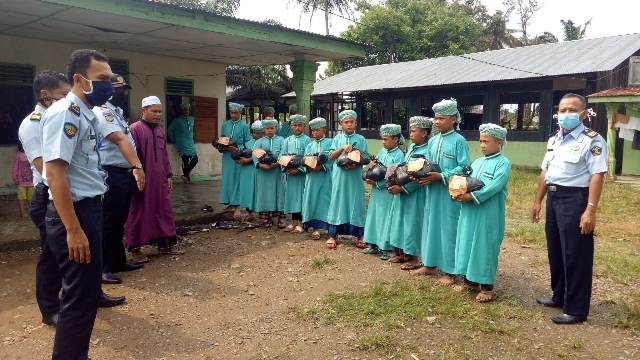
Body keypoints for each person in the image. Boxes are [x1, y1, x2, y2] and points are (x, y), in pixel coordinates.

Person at [41, 48, 116, 360]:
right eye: (101, 79)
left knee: (83, 295)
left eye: (111, 80)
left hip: (88, 209)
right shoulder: (65, 113)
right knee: (79, 297)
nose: (108, 86)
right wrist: (73, 229)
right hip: (75, 214)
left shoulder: (86, 113)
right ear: (78, 79)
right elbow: (56, 175)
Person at [532, 93, 607, 325]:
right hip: (554, 198)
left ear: (583, 114)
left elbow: (597, 175)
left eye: (571, 110)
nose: (566, 114)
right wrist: (538, 200)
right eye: (562, 110)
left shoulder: (592, 140)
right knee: (556, 250)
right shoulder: (554, 139)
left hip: (575, 199)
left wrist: (590, 209)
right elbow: (546, 172)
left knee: (576, 254)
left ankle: (576, 309)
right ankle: (559, 296)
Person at [18, 70, 69, 327]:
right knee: (52, 254)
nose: (67, 99)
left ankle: (83, 297)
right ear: (45, 94)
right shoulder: (34, 123)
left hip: (67, 192)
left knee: (76, 252)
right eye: (63, 94)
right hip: (48, 195)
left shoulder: (58, 118)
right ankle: (50, 309)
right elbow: (45, 169)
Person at [93, 74, 145, 284]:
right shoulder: (102, 112)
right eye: (119, 89)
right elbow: (118, 138)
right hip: (110, 172)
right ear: (109, 91)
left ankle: (118, 261)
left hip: (122, 173)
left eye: (124, 89)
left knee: (118, 222)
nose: (123, 93)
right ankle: (103, 268)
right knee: (108, 222)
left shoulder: (117, 112)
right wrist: (137, 165)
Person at [411, 98, 470, 285]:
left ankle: (451, 271)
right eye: (435, 118)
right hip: (431, 190)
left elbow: (464, 167)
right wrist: (419, 173)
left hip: (448, 193)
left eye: (441, 118)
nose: (437, 122)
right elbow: (426, 163)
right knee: (430, 226)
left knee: (448, 229)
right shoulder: (433, 140)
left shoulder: (459, 141)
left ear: (453, 119)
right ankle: (429, 264)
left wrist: (441, 176)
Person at [453, 123, 512, 303]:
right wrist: (457, 190)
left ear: (499, 142)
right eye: (481, 141)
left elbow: (495, 186)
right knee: (467, 241)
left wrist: (473, 196)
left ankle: (486, 286)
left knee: (484, 245)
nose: (483, 145)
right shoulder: (477, 162)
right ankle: (469, 281)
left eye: (487, 141)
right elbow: (466, 179)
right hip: (470, 211)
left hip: (488, 213)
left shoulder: (503, 163)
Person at [125, 96, 183, 264]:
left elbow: (164, 155)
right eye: (154, 111)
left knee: (162, 209)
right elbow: (130, 155)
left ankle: (164, 245)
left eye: (159, 111)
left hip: (160, 179)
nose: (158, 115)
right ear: (144, 110)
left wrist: (169, 175)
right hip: (142, 178)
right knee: (139, 210)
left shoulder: (159, 130)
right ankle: (135, 249)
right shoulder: (134, 129)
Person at [388, 116, 433, 269]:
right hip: (402, 192)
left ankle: (413, 257)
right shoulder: (412, 148)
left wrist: (403, 188)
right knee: (400, 221)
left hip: (416, 193)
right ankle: (401, 253)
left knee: (412, 223)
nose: (410, 134)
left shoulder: (428, 151)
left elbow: (422, 175)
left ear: (424, 133)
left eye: (414, 131)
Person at [326, 110, 369, 250]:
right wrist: (342, 148)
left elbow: (366, 157)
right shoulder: (337, 138)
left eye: (352, 122)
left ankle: (359, 235)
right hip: (340, 177)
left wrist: (355, 160)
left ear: (356, 123)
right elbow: (331, 156)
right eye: (346, 122)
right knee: (338, 202)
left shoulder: (361, 139)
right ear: (341, 124)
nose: (349, 125)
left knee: (356, 202)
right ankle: (333, 234)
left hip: (355, 176)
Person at [363, 124, 405, 259]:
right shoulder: (382, 151)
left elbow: (396, 176)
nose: (383, 142)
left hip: (387, 193)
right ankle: (373, 244)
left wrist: (378, 183)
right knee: (374, 216)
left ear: (396, 139)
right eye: (382, 139)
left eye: (386, 139)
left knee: (386, 218)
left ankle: (386, 247)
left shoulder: (399, 155)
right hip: (376, 193)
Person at [302, 117, 333, 240]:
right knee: (312, 201)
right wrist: (310, 166)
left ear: (324, 129)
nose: (314, 133)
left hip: (326, 177)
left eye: (317, 130)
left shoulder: (330, 143)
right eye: (313, 131)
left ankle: (326, 228)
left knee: (325, 201)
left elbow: (332, 159)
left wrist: (322, 166)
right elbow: (305, 160)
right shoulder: (309, 145)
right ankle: (314, 228)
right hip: (312, 178)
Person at [252, 119, 285, 227]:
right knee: (264, 194)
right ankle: (265, 219)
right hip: (263, 173)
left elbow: (283, 153)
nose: (270, 130)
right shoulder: (259, 142)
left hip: (277, 172)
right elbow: (255, 154)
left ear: (276, 128)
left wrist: (276, 164)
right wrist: (260, 165)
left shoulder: (281, 140)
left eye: (272, 128)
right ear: (264, 129)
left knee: (279, 193)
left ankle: (280, 219)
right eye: (267, 128)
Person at [281, 114, 311, 233]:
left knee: (301, 197)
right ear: (291, 126)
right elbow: (282, 156)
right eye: (295, 125)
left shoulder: (307, 140)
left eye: (300, 125)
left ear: (304, 127)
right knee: (292, 197)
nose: (297, 128)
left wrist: (299, 169)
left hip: (302, 175)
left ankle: (301, 222)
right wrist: (287, 169)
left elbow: (309, 157)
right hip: (290, 175)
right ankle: (294, 221)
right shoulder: (287, 140)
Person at [219, 102, 251, 209]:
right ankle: (227, 201)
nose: (233, 115)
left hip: (238, 157)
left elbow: (248, 143)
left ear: (240, 113)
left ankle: (236, 202)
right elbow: (222, 139)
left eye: (235, 113)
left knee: (237, 178)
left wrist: (237, 149)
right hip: (227, 157)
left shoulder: (245, 126)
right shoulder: (225, 124)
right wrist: (221, 146)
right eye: (231, 113)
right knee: (228, 178)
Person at [237, 120, 264, 219]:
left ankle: (258, 211)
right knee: (247, 189)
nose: (255, 135)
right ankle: (249, 210)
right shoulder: (248, 143)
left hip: (257, 170)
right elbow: (241, 154)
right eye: (254, 132)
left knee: (256, 190)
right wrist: (238, 159)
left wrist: (248, 160)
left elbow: (262, 156)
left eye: (258, 133)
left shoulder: (263, 143)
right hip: (246, 171)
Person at [168, 103, 198, 184]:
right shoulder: (177, 121)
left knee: (195, 159)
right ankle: (187, 179)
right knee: (185, 161)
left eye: (187, 110)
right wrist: (173, 140)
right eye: (184, 110)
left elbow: (193, 130)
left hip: (190, 143)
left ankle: (185, 175)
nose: (186, 111)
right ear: (182, 111)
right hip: (181, 144)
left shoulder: (192, 119)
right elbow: (170, 130)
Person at [12, 143, 33, 217]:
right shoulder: (28, 154)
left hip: (26, 181)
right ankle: (27, 212)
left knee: (25, 198)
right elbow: (15, 167)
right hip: (27, 181)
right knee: (27, 197)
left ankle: (26, 213)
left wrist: (15, 178)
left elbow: (15, 168)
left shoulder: (20, 155)